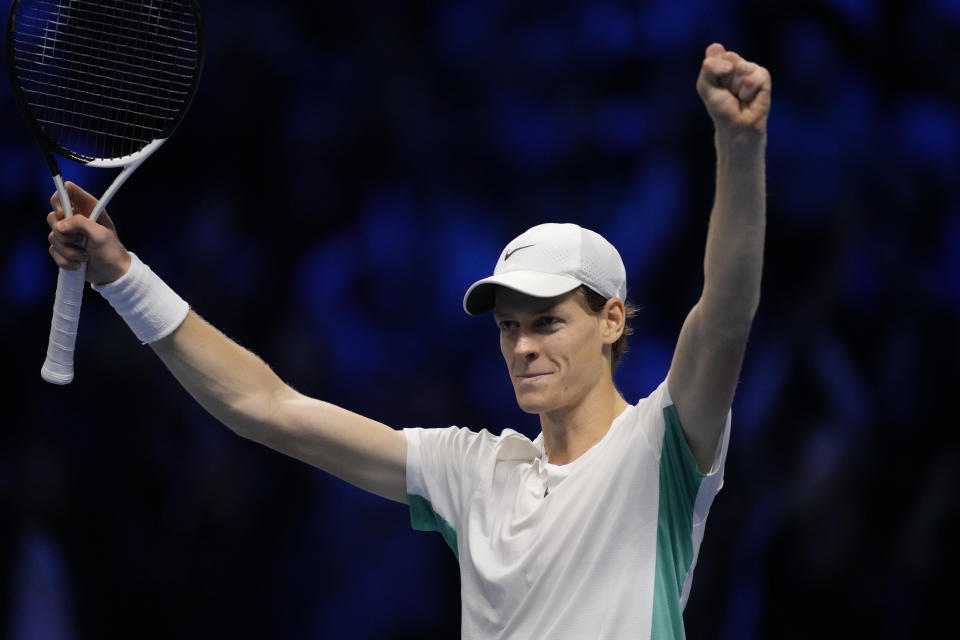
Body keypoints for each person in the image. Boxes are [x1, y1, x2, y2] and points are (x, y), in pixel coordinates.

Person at [46, 42, 770, 639]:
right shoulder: (473, 473)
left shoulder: (660, 449)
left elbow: (727, 312)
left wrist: (738, 147)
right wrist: (121, 275)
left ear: (612, 321)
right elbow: (268, 406)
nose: (521, 346)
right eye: (509, 326)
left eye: (547, 321)